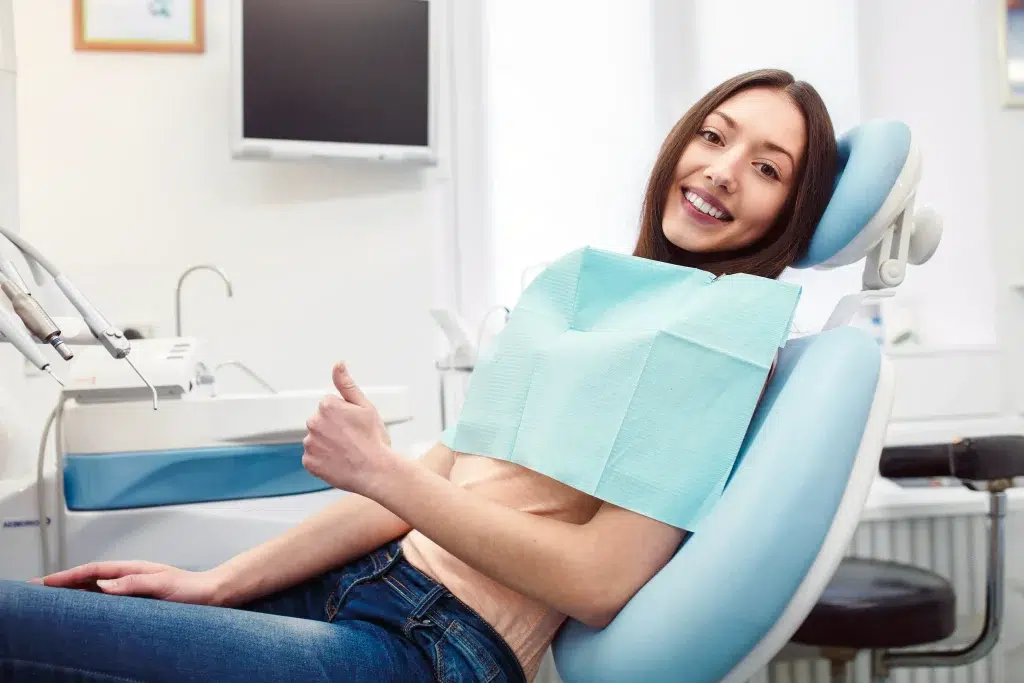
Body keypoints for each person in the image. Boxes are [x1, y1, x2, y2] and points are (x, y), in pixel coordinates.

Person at [0, 68, 837, 683]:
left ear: (791, 215)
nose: (723, 169)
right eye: (715, 135)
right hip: (367, 587)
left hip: (431, 646)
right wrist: (216, 582)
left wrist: (383, 469)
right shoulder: (607, 297)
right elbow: (432, 475)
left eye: (767, 168)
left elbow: (600, 581)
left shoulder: (721, 340)